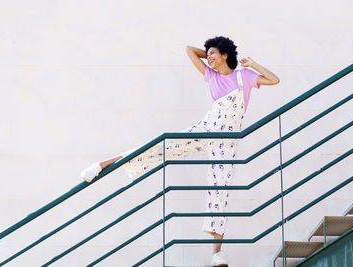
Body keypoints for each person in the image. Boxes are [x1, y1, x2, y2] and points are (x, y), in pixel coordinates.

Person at [81, 36, 279, 266]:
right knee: (162, 146)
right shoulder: (211, 76)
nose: (210, 58)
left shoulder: (242, 77)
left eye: (214, 53)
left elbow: (274, 80)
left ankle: (217, 253)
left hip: (227, 142)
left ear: (225, 54)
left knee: (221, 189)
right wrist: (212, 56)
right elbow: (189, 50)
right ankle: (103, 164)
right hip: (206, 128)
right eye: (209, 54)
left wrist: (250, 63)